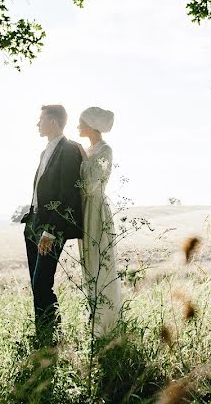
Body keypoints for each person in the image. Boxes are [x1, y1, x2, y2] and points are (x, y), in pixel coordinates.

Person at [19, 104, 84, 346]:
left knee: (42, 283)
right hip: (33, 224)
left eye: (41, 119)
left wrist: (51, 231)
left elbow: (68, 194)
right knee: (37, 286)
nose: (38, 124)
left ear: (54, 122)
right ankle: (43, 335)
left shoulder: (68, 150)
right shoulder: (45, 150)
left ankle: (52, 338)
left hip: (50, 228)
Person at [76, 106, 123, 338]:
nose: (77, 126)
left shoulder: (105, 150)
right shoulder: (90, 148)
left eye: (81, 122)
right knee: (88, 265)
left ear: (92, 126)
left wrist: (83, 157)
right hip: (85, 210)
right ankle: (93, 321)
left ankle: (107, 325)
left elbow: (90, 184)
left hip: (95, 211)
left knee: (99, 263)